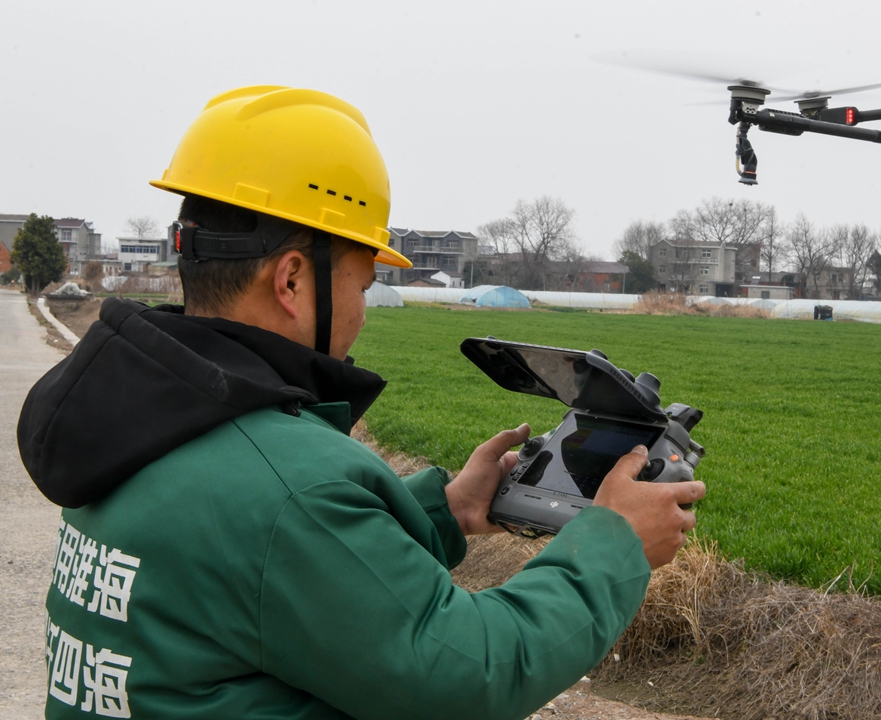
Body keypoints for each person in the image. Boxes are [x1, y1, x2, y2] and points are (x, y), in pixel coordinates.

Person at [18, 86, 705, 720]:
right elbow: (472, 670)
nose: (364, 312)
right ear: (292, 279)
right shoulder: (288, 485)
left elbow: (270, 574)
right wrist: (614, 544)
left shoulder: (139, 419)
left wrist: (446, 511)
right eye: (362, 281)